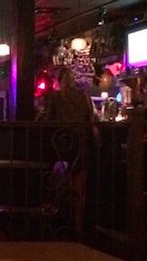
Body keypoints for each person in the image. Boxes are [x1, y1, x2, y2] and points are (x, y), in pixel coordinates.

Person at [46, 66, 98, 237]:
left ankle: (62, 223)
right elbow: (91, 119)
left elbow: (48, 121)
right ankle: (78, 226)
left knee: (62, 185)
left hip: (63, 146)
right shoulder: (83, 95)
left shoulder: (55, 97)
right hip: (82, 146)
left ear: (58, 80)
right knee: (79, 189)